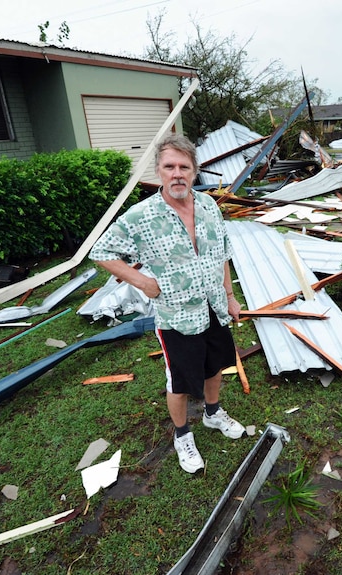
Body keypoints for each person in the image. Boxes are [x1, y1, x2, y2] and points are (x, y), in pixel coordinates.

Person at [89, 133, 244, 474]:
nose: (177, 174)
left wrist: (230, 296)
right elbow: (100, 252)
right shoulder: (141, 216)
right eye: (169, 166)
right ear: (158, 171)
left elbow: (223, 254)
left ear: (194, 171)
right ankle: (182, 434)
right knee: (180, 380)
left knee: (216, 364)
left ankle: (213, 414)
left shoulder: (208, 206)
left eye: (184, 167)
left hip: (214, 305)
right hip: (177, 315)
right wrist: (144, 282)